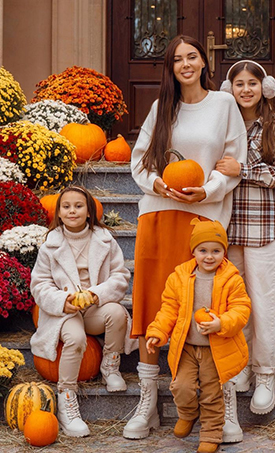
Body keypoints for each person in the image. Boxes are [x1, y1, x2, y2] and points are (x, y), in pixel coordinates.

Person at [124, 34, 247, 440]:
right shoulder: (162, 108)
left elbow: (234, 162)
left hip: (203, 224)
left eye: (191, 57)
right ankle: (149, 404)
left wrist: (207, 190)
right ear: (171, 68)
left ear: (203, 63)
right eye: (178, 59)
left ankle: (223, 404)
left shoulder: (224, 104)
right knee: (151, 309)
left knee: (208, 310)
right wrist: (158, 185)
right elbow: (139, 162)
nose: (186, 64)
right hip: (159, 216)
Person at [216, 59, 275, 432]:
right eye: (238, 84)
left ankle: (266, 374)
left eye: (252, 83)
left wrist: (243, 171)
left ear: (264, 88)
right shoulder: (225, 126)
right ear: (228, 89)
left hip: (265, 230)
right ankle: (241, 367)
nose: (245, 89)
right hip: (229, 231)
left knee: (264, 303)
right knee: (236, 303)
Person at [30, 186, 134, 437]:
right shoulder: (50, 245)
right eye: (66, 207)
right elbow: (39, 285)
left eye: (78, 206)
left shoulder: (105, 240)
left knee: (117, 313)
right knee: (75, 339)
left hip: (94, 307)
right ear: (59, 212)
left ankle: (110, 365)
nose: (72, 211)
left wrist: (97, 294)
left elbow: (120, 277)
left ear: (89, 211)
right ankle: (67, 397)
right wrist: (62, 300)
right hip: (65, 312)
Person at [145, 218, 251, 453]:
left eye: (216, 250)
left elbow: (241, 309)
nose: (209, 256)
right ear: (193, 251)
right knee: (181, 386)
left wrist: (221, 322)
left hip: (215, 348)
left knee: (212, 394)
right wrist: (157, 332)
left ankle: (211, 434)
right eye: (203, 250)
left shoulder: (231, 279)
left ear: (224, 251)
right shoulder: (179, 277)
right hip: (187, 347)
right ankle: (188, 413)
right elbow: (169, 310)